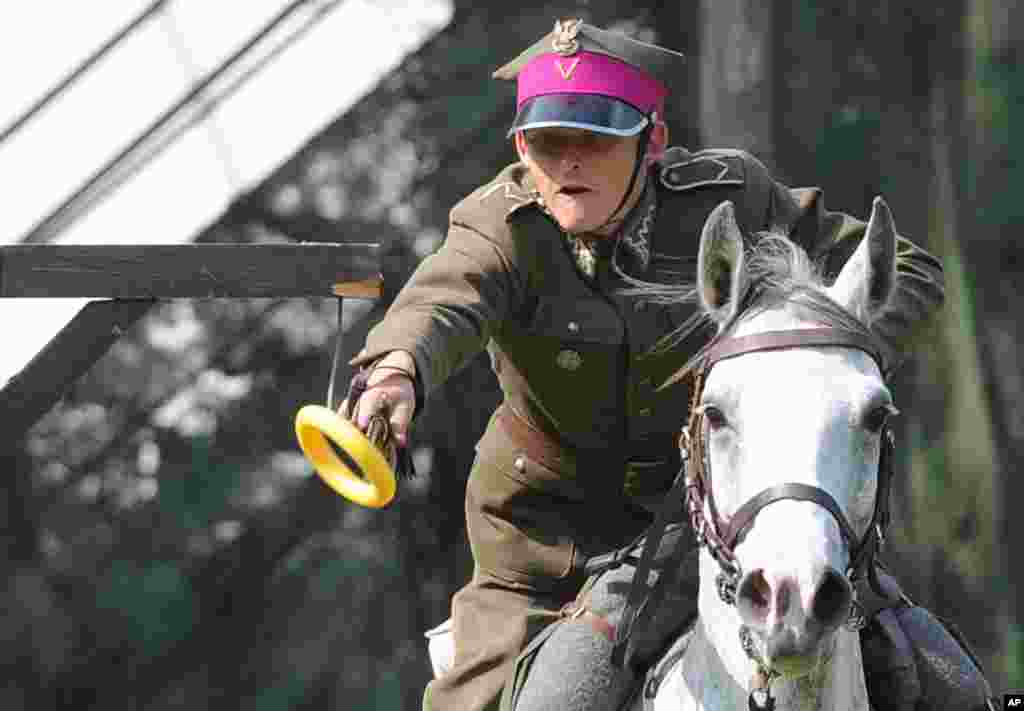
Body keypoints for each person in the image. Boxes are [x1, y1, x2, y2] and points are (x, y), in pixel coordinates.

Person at [343, 18, 987, 711]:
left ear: (652, 141)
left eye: (593, 140)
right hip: (549, 551)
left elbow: (910, 271)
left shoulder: (728, 196)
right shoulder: (501, 226)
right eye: (545, 143)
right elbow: (444, 298)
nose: (566, 164)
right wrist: (394, 369)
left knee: (949, 683)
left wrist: (829, 360)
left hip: (724, 515)